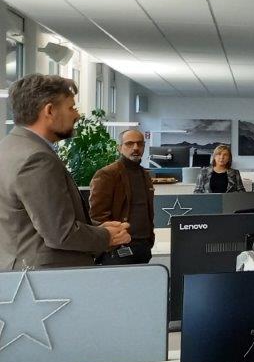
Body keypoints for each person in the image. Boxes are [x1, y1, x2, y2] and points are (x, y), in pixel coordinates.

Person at [0, 74, 130, 270]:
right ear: (50, 111)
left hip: (21, 269)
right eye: (71, 108)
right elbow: (61, 233)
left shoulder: (9, 147)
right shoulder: (37, 158)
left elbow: (31, 222)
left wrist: (95, 229)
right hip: (48, 278)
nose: (77, 115)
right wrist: (107, 236)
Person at [89, 128, 155, 264]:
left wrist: (149, 241)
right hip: (118, 248)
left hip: (143, 246)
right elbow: (97, 216)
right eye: (129, 143)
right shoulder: (107, 174)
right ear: (119, 148)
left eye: (140, 144)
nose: (135, 148)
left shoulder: (145, 174)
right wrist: (112, 241)